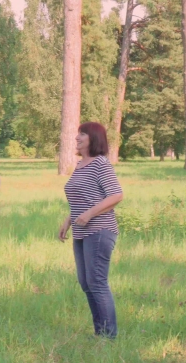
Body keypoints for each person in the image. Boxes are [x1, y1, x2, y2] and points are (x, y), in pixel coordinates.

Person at [58, 122, 124, 338]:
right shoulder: (80, 165)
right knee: (86, 283)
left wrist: (88, 215)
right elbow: (82, 199)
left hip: (100, 230)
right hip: (81, 231)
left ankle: (109, 336)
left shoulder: (101, 164)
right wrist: (68, 220)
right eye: (77, 133)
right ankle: (100, 332)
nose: (77, 137)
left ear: (93, 138)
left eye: (82, 134)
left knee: (97, 282)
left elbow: (116, 195)